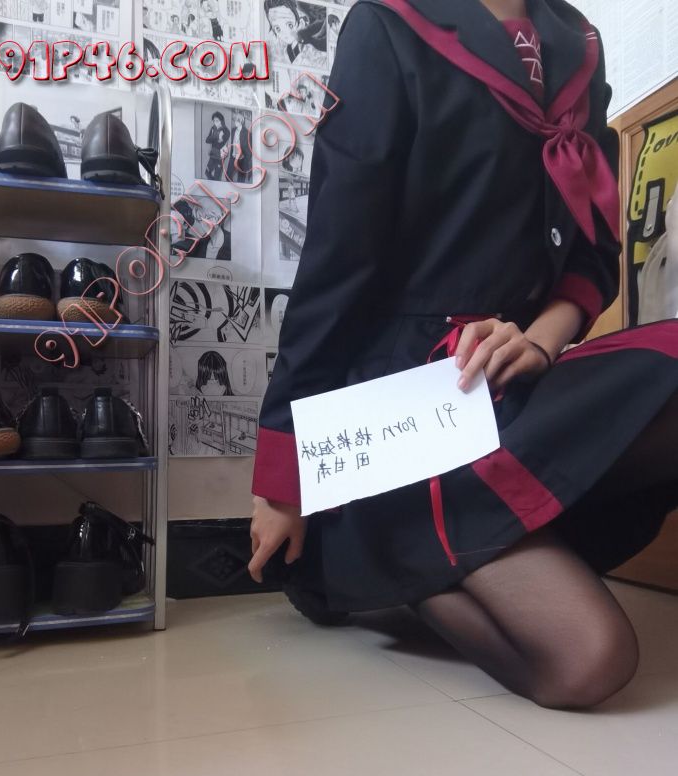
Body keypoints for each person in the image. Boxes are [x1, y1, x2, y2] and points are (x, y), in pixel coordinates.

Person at [248, 0, 678, 711]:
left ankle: (421, 554)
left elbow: (593, 255)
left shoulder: (579, 43)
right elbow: (337, 265)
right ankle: (368, 554)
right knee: (589, 659)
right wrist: (284, 479)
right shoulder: (387, 25)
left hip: (514, 376)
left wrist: (539, 340)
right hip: (408, 407)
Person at [264, 0, 327, 67]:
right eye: (277, 28)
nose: (284, 33)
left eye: (290, 25)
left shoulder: (316, 54)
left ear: (301, 23)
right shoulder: (279, 53)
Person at [221, 111, 253, 184]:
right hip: (233, 157)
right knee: (228, 176)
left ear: (241, 121)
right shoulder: (233, 130)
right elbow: (230, 141)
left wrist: (246, 159)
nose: (235, 122)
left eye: (237, 120)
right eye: (234, 120)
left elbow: (250, 149)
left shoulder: (247, 133)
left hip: (242, 159)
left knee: (241, 180)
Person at [205, 111, 230, 181]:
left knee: (217, 176)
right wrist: (216, 136)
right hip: (213, 153)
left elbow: (220, 143)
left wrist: (216, 137)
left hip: (220, 155)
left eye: (217, 121)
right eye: (214, 121)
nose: (215, 122)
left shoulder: (226, 130)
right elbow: (207, 140)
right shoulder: (213, 128)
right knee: (207, 172)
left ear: (221, 121)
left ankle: (215, 184)